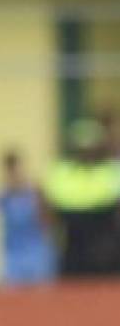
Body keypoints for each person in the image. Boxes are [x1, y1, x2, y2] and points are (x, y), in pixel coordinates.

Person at [42, 118, 120, 277]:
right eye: (82, 150)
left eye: (91, 149)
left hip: (106, 245)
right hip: (73, 245)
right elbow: (50, 209)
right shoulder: (61, 172)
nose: (87, 155)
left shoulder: (112, 170)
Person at [0, 149, 56, 284]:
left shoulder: (35, 192)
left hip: (36, 254)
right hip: (12, 256)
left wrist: (42, 201)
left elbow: (48, 222)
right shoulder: (3, 194)